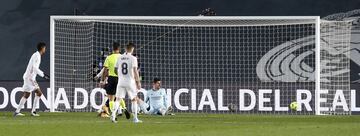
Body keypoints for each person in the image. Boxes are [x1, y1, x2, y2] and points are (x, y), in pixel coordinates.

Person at [14, 42, 49, 117]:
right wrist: (43, 75)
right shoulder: (37, 56)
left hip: (28, 77)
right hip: (30, 78)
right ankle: (33, 112)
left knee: (27, 94)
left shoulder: (36, 55)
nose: (45, 49)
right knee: (39, 93)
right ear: (42, 48)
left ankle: (17, 112)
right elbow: (34, 68)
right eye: (45, 48)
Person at [113, 42, 142, 123]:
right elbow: (135, 71)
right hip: (130, 82)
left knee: (118, 99)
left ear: (125, 49)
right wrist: (138, 82)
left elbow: (115, 70)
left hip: (121, 81)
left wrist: (120, 76)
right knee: (134, 99)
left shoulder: (119, 57)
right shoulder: (133, 58)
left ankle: (113, 116)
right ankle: (135, 118)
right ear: (132, 49)